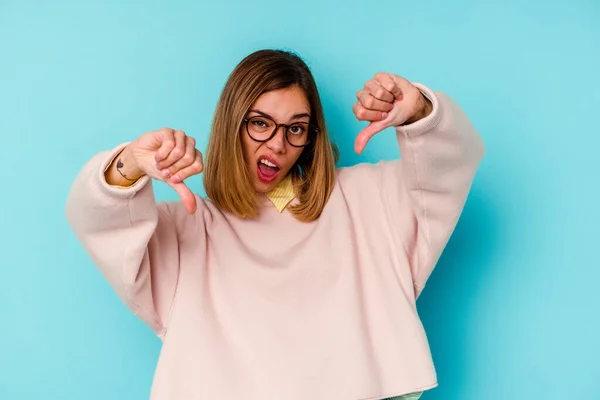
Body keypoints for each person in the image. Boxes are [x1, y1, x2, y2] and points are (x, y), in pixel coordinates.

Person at [65, 49, 484, 400]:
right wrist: (129, 165)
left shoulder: (367, 202)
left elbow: (450, 165)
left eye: (296, 128)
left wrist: (421, 111)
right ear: (233, 123)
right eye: (260, 123)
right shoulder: (188, 232)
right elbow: (98, 221)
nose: (278, 144)